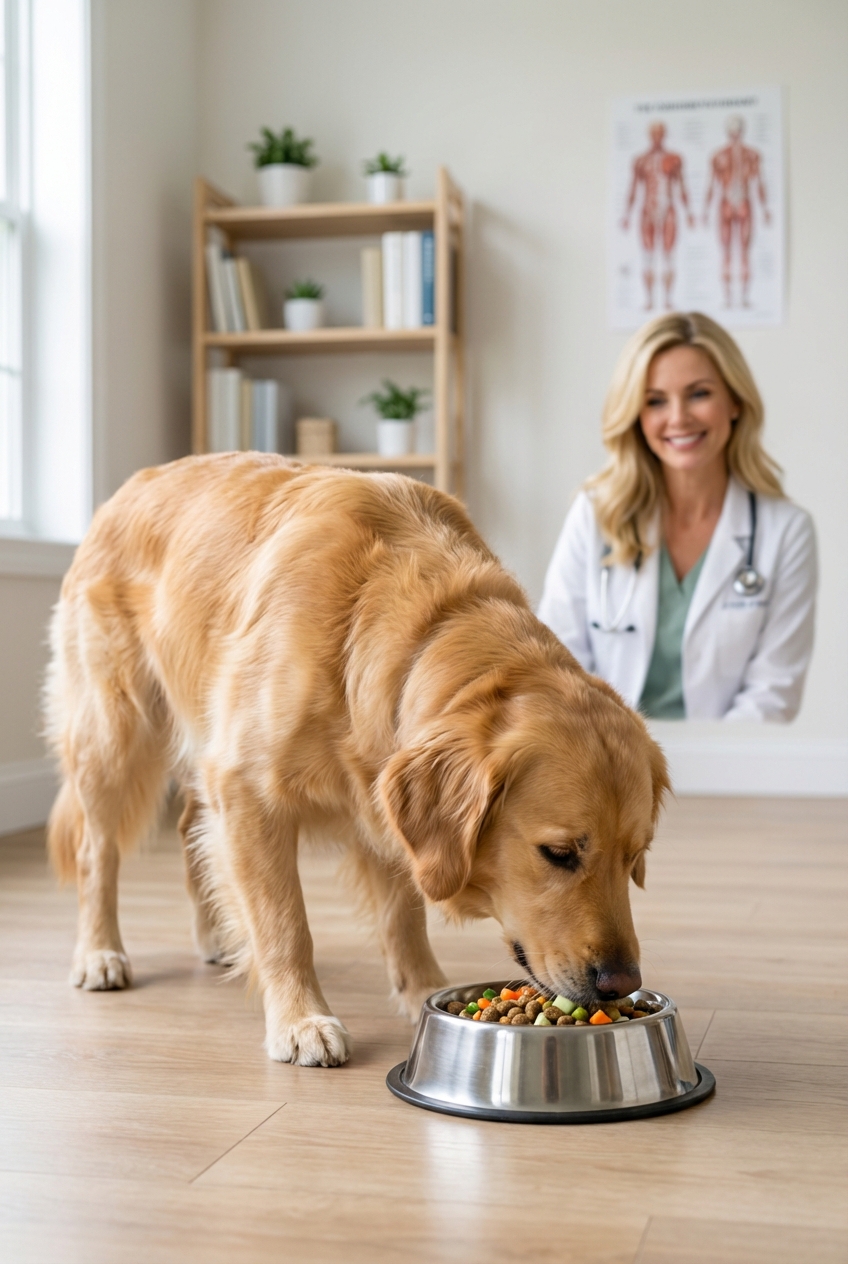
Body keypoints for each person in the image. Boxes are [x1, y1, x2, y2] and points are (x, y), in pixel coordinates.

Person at [538, 312, 816, 722]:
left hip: (730, 766)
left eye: (699, 394)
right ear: (636, 415)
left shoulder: (786, 532)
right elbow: (556, 663)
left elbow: (772, 693)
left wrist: (712, 769)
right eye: (655, 401)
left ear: (735, 401)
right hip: (604, 764)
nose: (678, 417)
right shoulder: (593, 515)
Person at [621, 121, 695, 311]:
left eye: (660, 133)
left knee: (669, 256)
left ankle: (668, 300)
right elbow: (634, 188)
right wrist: (627, 215)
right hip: (647, 210)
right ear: (649, 135)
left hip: (668, 209)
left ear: (664, 135)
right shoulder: (640, 160)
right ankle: (649, 300)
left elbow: (681, 186)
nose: (657, 137)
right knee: (648, 257)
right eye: (654, 133)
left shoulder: (674, 159)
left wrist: (689, 213)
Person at [703, 116, 771, 309]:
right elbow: (712, 184)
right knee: (726, 253)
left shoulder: (752, 155)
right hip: (726, 203)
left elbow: (759, 182)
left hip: (743, 204)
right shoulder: (718, 156)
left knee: (744, 253)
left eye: (737, 129)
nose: (735, 133)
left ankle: (743, 297)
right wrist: (706, 210)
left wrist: (765, 208)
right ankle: (728, 297)